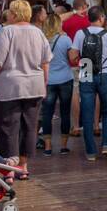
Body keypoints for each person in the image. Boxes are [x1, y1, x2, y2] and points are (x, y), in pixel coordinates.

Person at [0, 0, 50, 178]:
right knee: (29, 127)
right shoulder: (38, 33)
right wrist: (44, 83)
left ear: (13, 14)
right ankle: (23, 166)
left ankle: (9, 169)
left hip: (9, 86)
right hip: (34, 86)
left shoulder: (7, 32)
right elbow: (45, 62)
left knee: (8, 127)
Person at [71, 6, 107, 159]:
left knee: (87, 112)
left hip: (86, 70)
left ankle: (91, 152)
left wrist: (81, 61)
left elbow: (73, 55)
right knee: (106, 111)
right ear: (100, 18)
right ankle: (106, 145)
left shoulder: (80, 33)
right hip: (105, 73)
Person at [41, 19, 75, 155]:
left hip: (48, 80)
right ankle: (63, 146)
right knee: (65, 113)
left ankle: (48, 147)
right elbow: (72, 58)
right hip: (65, 78)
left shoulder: (42, 40)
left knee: (47, 114)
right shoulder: (65, 40)